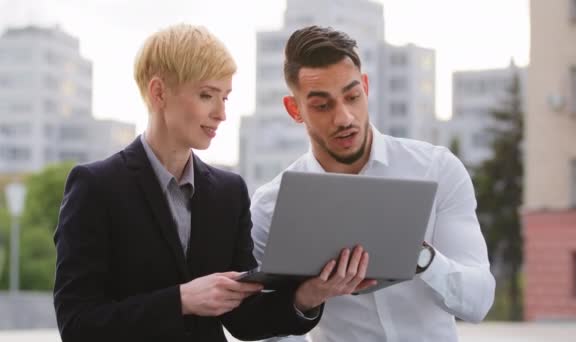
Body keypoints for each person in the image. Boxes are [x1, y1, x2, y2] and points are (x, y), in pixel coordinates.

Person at [53, 24, 374, 342]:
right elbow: (77, 324)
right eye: (207, 95)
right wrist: (181, 300)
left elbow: (245, 320)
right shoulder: (96, 188)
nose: (221, 113)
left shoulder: (227, 192)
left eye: (226, 97)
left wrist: (310, 294)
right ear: (159, 92)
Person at [250, 25, 496, 341]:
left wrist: (420, 257)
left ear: (365, 87)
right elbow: (265, 329)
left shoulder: (436, 170)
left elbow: (478, 302)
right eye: (322, 105)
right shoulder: (272, 206)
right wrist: (305, 297)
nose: (344, 118)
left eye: (352, 96)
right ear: (294, 109)